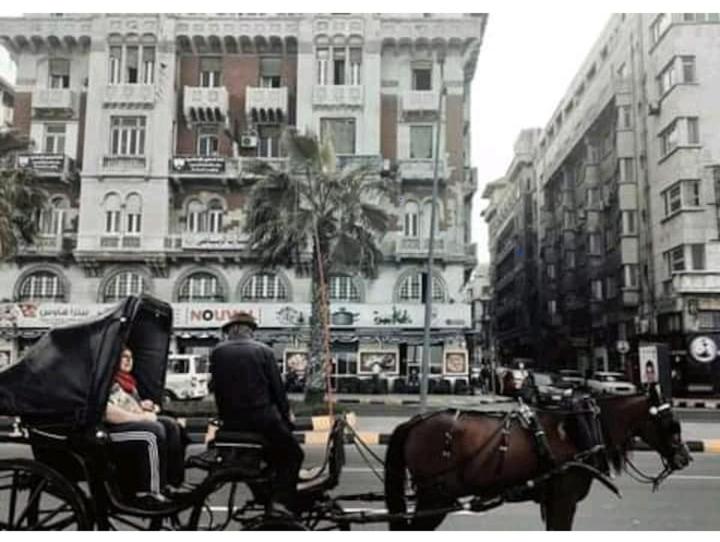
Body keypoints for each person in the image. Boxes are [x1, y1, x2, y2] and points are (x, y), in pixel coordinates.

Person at [209, 312, 303, 512]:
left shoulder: (217, 352)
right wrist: (287, 417)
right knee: (294, 455)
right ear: (251, 331)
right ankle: (281, 500)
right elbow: (277, 390)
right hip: (263, 419)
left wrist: (224, 417)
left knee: (268, 455)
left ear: (230, 331)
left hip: (232, 422)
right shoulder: (264, 351)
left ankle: (266, 494)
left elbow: (216, 388)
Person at [105, 346, 187, 500]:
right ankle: (150, 490)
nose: (128, 359)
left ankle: (171, 483)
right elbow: (109, 412)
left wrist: (143, 406)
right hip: (109, 431)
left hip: (126, 424)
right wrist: (142, 417)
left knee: (170, 425)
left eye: (130, 356)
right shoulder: (108, 382)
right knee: (151, 433)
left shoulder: (128, 382)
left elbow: (128, 405)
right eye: (123, 356)